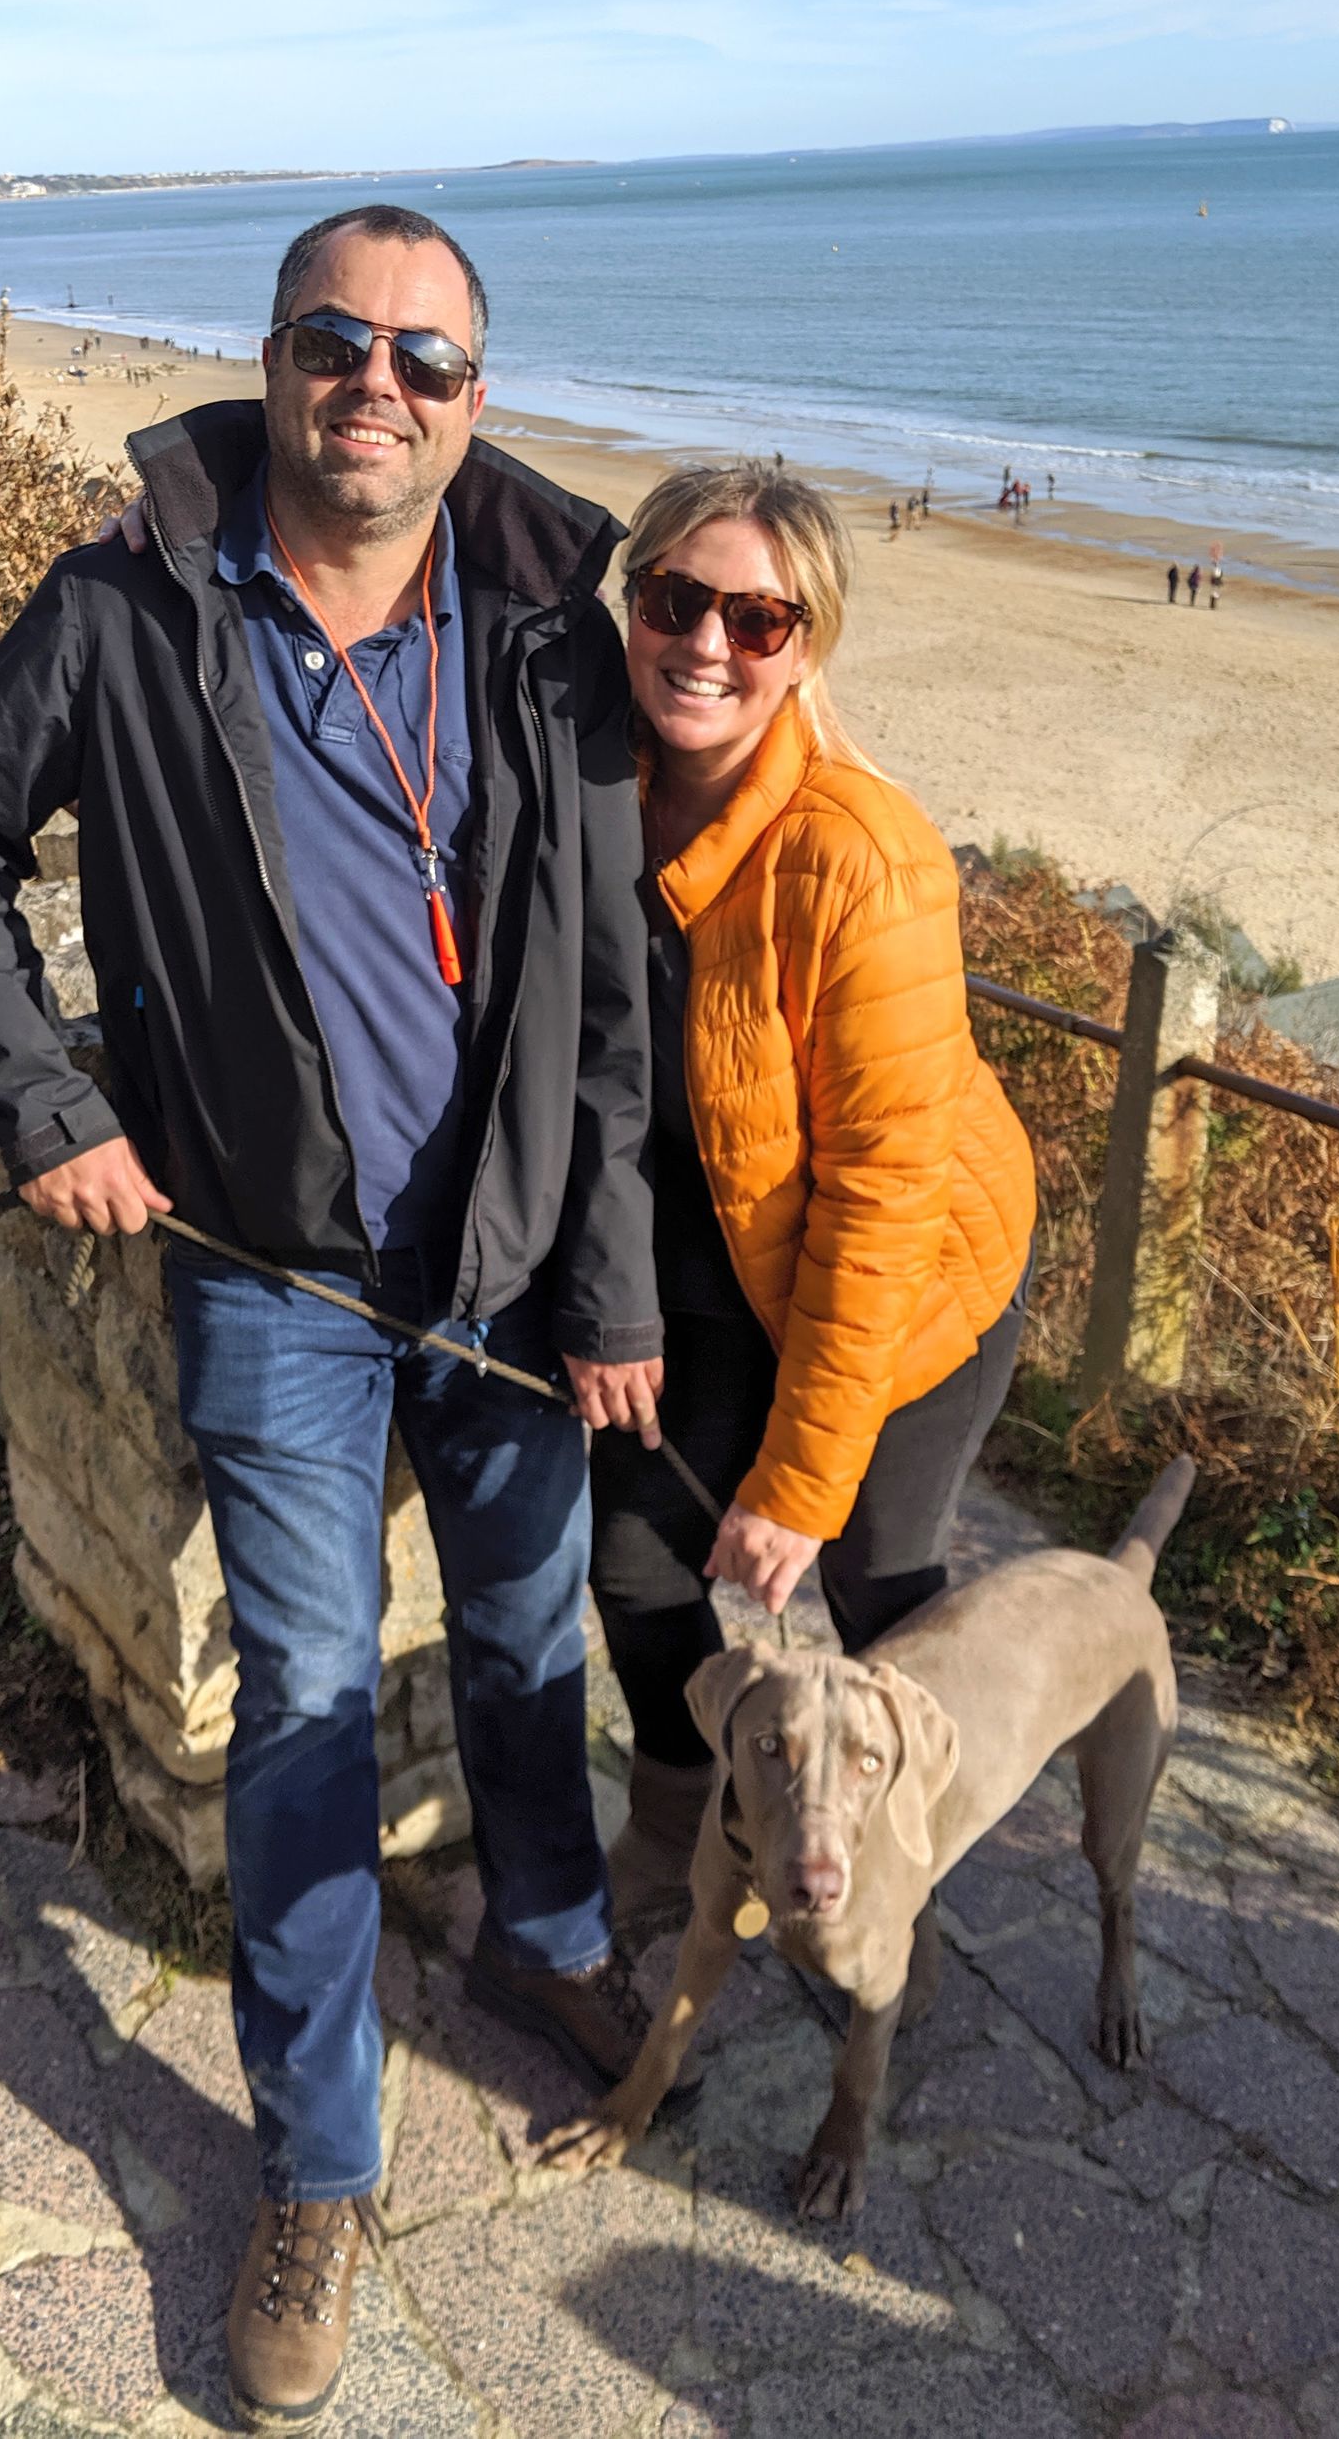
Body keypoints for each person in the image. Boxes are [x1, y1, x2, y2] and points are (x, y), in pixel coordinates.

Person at [0, 205, 666, 2427]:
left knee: (527, 1641)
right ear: (276, 356)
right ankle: (318, 2163)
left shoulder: (543, 632)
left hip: (503, 1269)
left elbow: (604, 1002)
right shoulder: (128, 605)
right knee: (311, 1694)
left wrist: (603, 1278)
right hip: (272, 1272)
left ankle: (554, 1930)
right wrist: (45, 1098)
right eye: (340, 341)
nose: (379, 388)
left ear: (475, 401)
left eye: (428, 359)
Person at [585, 463, 1037, 1921]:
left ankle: (893, 1852)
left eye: (759, 621)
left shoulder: (860, 858)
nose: (707, 643)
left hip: (907, 1287)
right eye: (675, 599)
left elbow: (883, 1208)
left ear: (808, 646)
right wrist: (198, 516)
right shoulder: (602, 784)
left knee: (872, 1576)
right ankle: (677, 1823)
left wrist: (796, 1482)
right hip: (720, 1256)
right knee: (639, 1560)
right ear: (631, 602)